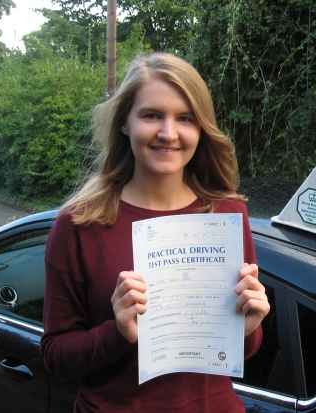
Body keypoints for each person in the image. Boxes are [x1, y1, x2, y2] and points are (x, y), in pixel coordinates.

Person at [41, 52, 270, 413]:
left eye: (185, 118)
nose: (169, 133)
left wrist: (248, 327)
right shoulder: (79, 224)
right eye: (151, 115)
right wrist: (116, 333)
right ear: (124, 123)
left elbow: (239, 350)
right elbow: (55, 355)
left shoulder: (226, 213)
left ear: (201, 128)